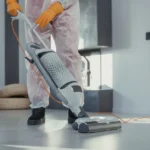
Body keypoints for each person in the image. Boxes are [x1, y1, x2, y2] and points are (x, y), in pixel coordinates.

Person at [6, 0, 83, 125]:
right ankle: (38, 106)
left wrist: (55, 8)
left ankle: (75, 106)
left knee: (69, 55)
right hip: (36, 5)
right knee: (36, 56)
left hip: (66, 7)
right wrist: (11, 1)